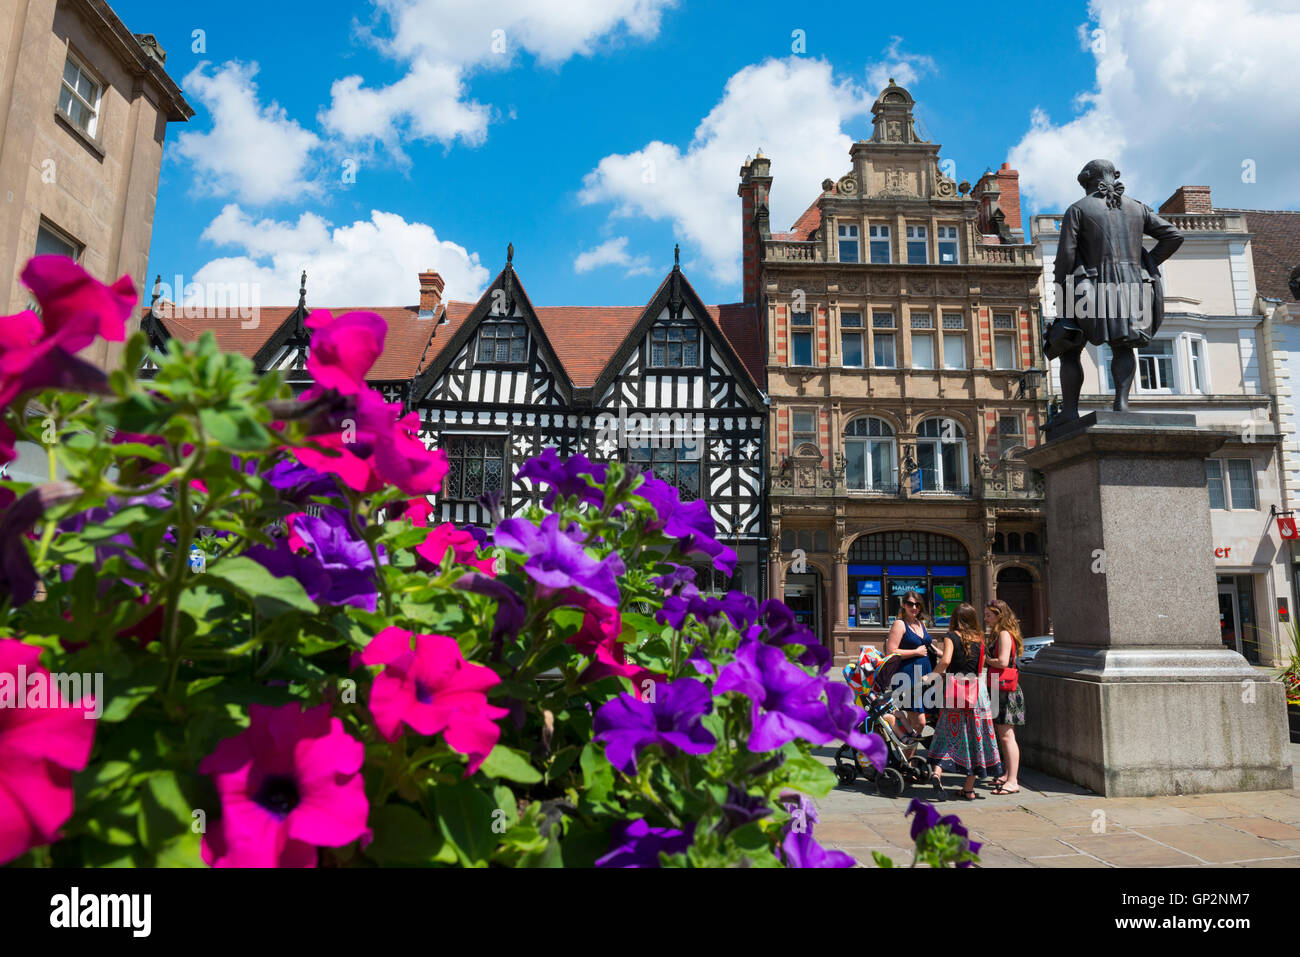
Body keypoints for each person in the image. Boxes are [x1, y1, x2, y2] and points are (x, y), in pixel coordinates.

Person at [1045, 158, 1184, 424]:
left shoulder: (1078, 209)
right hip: (1136, 287)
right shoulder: (1137, 208)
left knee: (1069, 346)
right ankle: (1121, 404)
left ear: (1087, 181)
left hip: (1091, 288)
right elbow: (1174, 236)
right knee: (1124, 347)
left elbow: (1066, 256)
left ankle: (1071, 412)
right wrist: (1147, 263)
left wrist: (1061, 291)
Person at [923, 603, 1004, 800]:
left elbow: (946, 661)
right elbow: (978, 663)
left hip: (956, 692)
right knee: (976, 738)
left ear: (955, 619)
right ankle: (969, 790)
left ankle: (937, 773)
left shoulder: (951, 636)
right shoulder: (979, 638)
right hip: (977, 694)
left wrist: (931, 676)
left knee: (946, 733)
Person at [985, 599, 1027, 795]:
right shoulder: (1003, 633)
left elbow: (1002, 662)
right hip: (1000, 688)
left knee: (1006, 735)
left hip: (1004, 689)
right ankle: (1007, 774)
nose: (985, 618)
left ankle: (1012, 780)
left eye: (989, 615)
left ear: (999, 615)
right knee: (1004, 735)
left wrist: (986, 659)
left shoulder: (1003, 634)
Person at [883, 591, 933, 748]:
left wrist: (941, 653)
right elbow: (890, 652)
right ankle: (906, 759)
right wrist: (915, 652)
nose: (914, 607)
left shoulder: (920, 623)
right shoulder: (900, 624)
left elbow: (926, 645)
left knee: (915, 722)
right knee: (919, 722)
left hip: (924, 675)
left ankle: (908, 763)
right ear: (903, 605)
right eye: (910, 604)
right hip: (908, 676)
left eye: (917, 604)